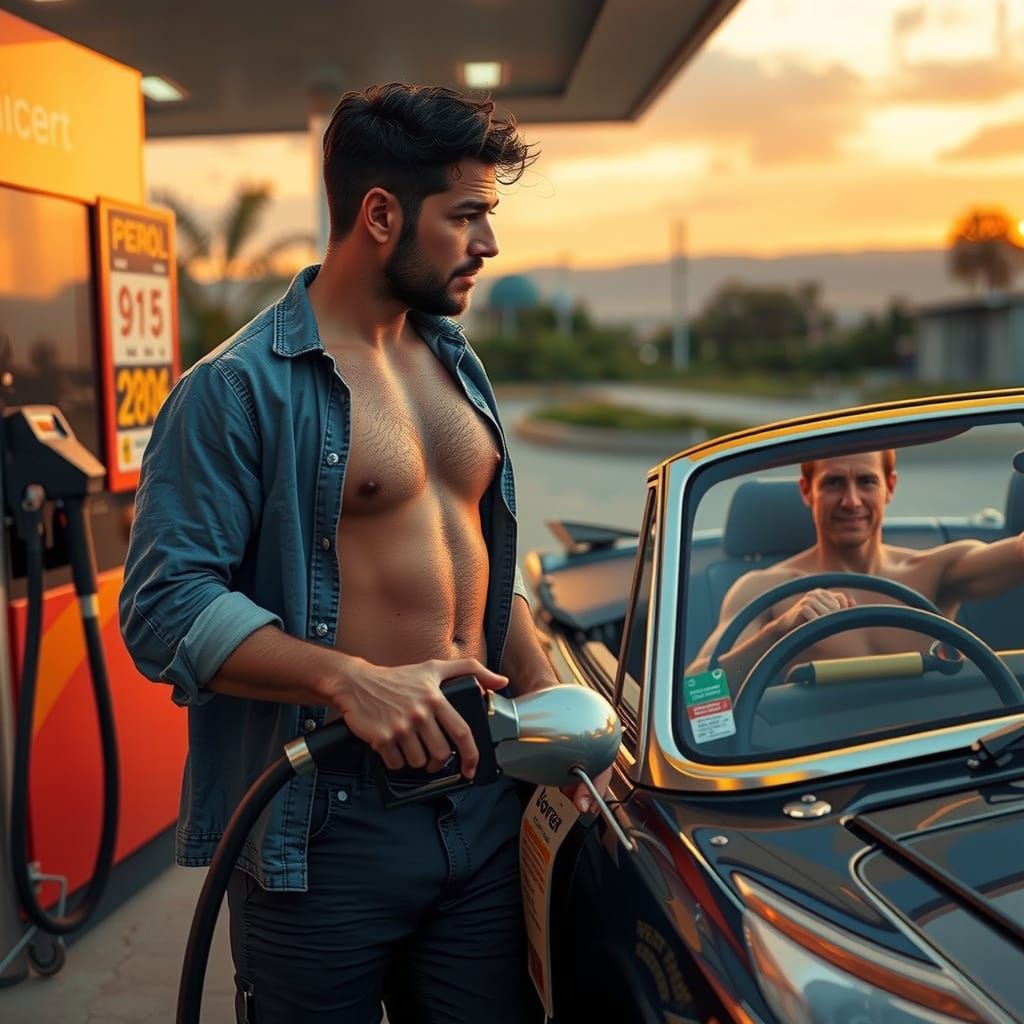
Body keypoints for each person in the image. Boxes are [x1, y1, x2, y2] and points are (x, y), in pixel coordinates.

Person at [120, 83, 603, 1024]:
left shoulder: (454, 361)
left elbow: (483, 569)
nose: (489, 245)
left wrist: (551, 711)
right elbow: (164, 607)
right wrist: (351, 680)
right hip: (324, 828)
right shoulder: (234, 391)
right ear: (380, 215)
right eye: (467, 216)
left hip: (482, 804)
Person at [688, 449, 1024, 686]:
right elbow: (696, 691)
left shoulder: (937, 569)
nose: (851, 501)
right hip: (825, 775)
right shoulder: (763, 589)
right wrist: (779, 630)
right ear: (807, 491)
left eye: (866, 481)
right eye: (834, 483)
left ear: (889, 487)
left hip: (936, 762)